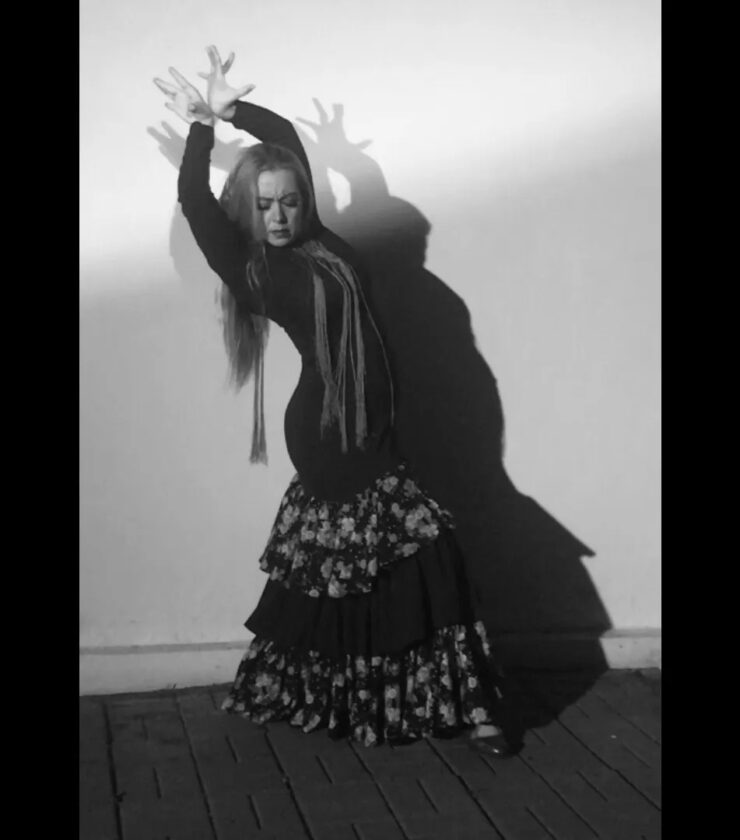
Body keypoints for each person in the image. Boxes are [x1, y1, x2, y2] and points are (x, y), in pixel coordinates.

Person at [154, 46, 517, 755]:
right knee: (422, 552)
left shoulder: (320, 238)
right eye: (264, 205)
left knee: (360, 571)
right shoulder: (250, 265)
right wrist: (201, 128)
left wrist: (236, 111)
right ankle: (474, 711)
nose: (279, 215)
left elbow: (284, 139)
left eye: (289, 201)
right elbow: (195, 200)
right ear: (248, 211)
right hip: (329, 432)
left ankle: (374, 698)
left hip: (375, 424)